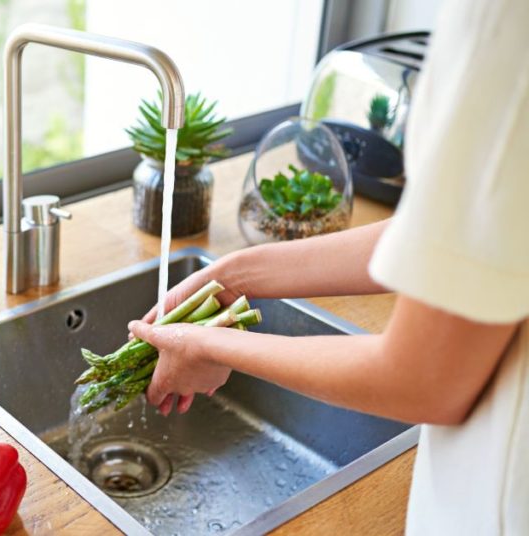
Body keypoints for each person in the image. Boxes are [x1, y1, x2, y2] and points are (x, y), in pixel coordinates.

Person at [128, 0, 529, 533]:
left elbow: (420, 379)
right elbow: (464, 235)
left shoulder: (503, 26)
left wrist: (208, 343)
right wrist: (238, 274)